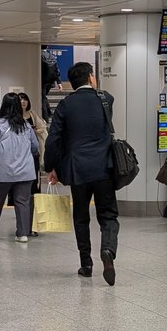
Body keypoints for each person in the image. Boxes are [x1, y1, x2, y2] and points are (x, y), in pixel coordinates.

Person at [45, 61, 120, 285]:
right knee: (108, 215)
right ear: (90, 77)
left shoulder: (66, 105)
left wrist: (51, 167)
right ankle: (107, 250)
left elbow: (53, 140)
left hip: (78, 170)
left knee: (81, 217)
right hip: (104, 168)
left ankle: (86, 264)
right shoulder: (105, 99)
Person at [0, 92, 39, 242]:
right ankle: (22, 234)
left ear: (4, 106)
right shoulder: (26, 126)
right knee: (22, 202)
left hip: (3, 172)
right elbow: (35, 147)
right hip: (25, 171)